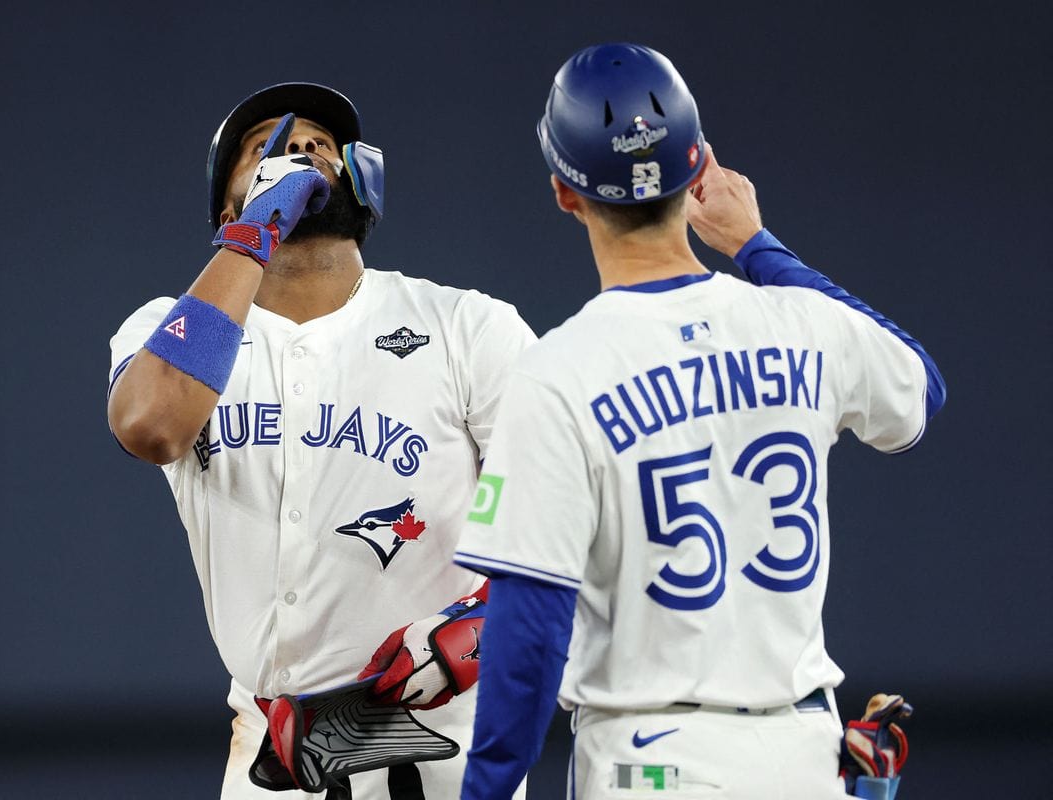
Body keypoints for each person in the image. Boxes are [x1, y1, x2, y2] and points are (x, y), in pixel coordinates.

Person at [454, 43, 945, 799]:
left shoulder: (558, 372)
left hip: (651, 759)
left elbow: (530, 635)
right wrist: (756, 246)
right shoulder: (803, 324)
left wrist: (486, 790)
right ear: (701, 167)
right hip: (802, 753)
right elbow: (920, 387)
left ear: (563, 191)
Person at [106, 82, 534, 799]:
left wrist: (491, 623)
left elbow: (572, 511)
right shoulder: (168, 328)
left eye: (320, 142)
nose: (299, 148)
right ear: (226, 208)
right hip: (266, 755)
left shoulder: (468, 326)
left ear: (362, 182)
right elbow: (152, 424)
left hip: (434, 741)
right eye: (263, 145)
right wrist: (253, 235)